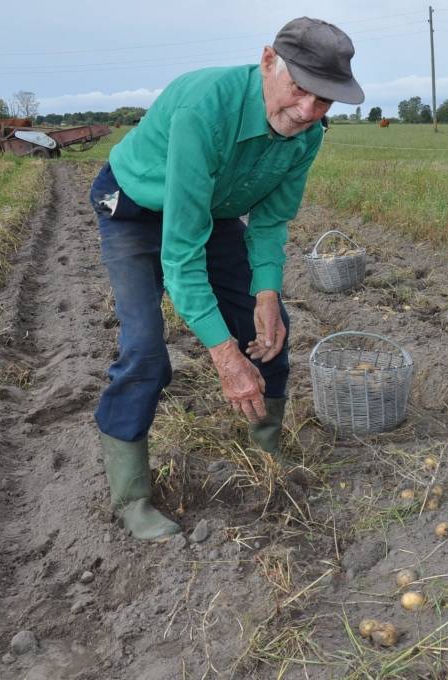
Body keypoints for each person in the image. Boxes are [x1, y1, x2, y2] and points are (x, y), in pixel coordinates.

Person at [88, 17, 364, 540]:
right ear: (267, 62)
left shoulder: (306, 134)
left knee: (271, 331)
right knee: (146, 352)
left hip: (210, 210)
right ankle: (131, 497)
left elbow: (270, 220)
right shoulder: (205, 110)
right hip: (135, 208)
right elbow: (183, 250)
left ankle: (266, 446)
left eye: (323, 101)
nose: (307, 111)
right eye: (299, 88)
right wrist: (222, 354)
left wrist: (265, 293)